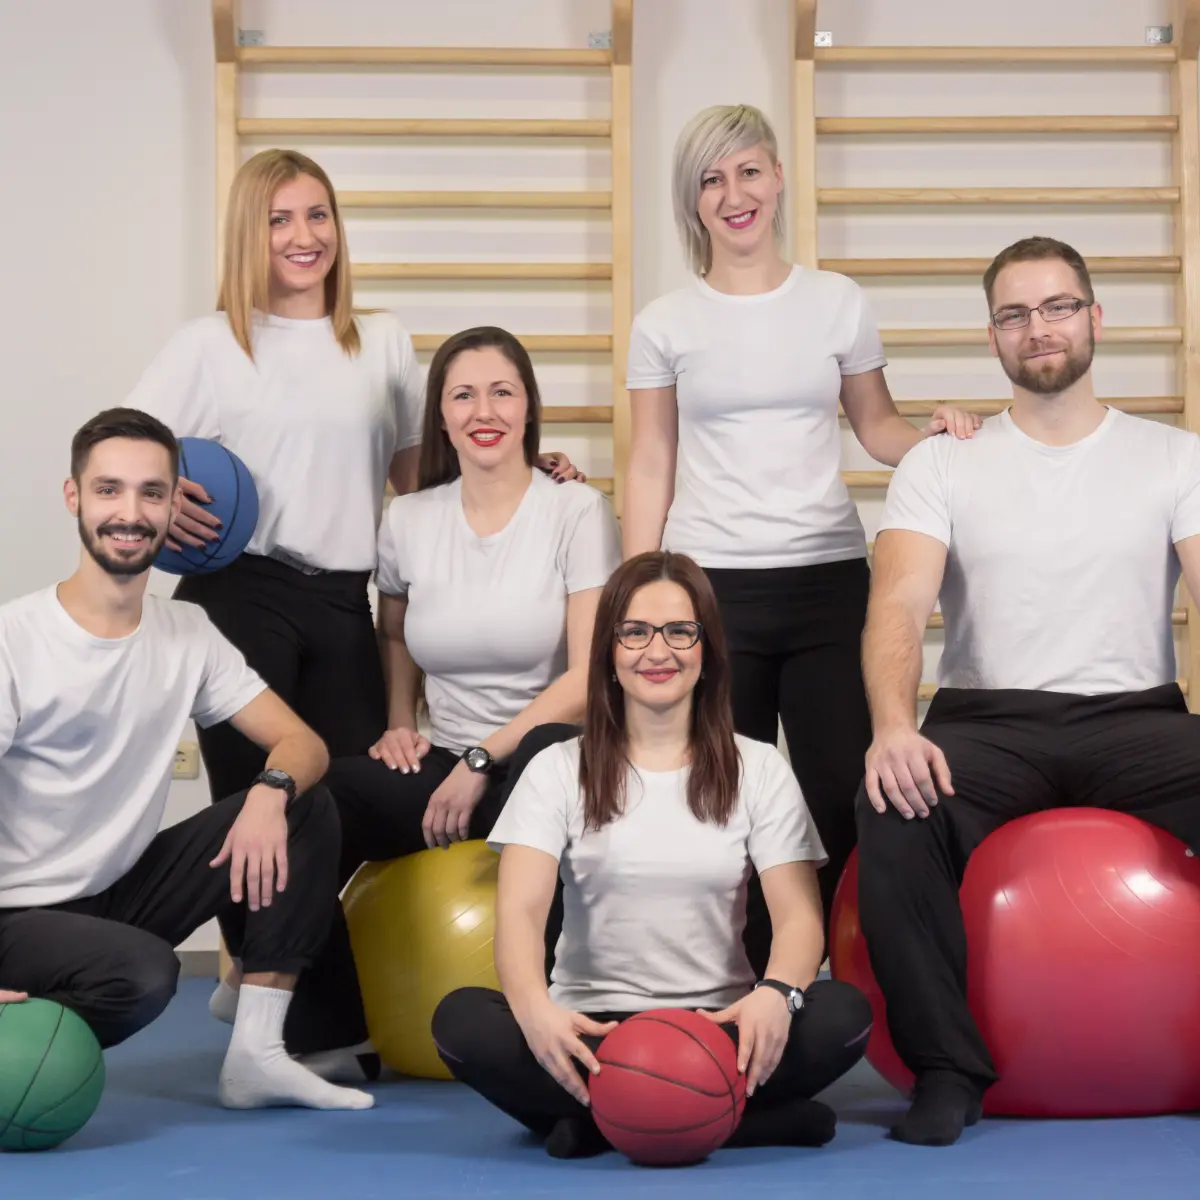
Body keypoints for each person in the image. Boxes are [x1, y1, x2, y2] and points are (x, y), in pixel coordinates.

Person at [128, 149, 579, 1034]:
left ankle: (283, 990)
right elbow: (116, 449)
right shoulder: (208, 345)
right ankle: (289, 1014)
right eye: (280, 220)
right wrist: (160, 497)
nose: (304, 237)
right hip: (239, 594)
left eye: (318, 216)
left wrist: (529, 469)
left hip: (345, 602)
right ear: (248, 235)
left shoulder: (381, 340)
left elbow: (422, 474)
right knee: (255, 801)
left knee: (341, 805)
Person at [855, 235, 1200, 1147]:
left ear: (1094, 316)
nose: (1036, 328)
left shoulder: (1173, 456)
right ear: (994, 336)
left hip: (1139, 718)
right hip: (988, 721)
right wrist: (893, 725)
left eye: (1055, 307)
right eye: (1014, 314)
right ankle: (946, 1067)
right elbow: (897, 601)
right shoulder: (942, 462)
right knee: (891, 803)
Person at [620, 102, 979, 944]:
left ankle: (845, 968)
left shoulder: (837, 301)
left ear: (778, 177)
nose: (734, 193)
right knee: (719, 794)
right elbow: (650, 462)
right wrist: (640, 600)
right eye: (712, 179)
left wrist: (937, 433)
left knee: (839, 790)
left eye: (748, 171)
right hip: (712, 591)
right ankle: (730, 979)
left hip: (828, 584)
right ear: (694, 199)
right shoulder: (664, 323)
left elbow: (877, 425)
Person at [257, 325, 621, 1068]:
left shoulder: (576, 512)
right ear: (441, 413)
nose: (483, 409)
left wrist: (486, 755)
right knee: (310, 803)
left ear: (528, 407)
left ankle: (555, 1027)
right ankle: (327, 1027)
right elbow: (395, 636)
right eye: (463, 394)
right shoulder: (410, 520)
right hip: (447, 766)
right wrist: (398, 723)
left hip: (545, 764)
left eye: (501, 391)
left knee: (550, 755)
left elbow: (588, 679)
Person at [432, 551, 874, 1159]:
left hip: (721, 1026)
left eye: (679, 631)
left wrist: (775, 994)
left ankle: (599, 1123)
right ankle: (741, 1122)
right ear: (610, 654)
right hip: (591, 1027)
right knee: (461, 1023)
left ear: (707, 649)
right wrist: (536, 1012)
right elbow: (522, 914)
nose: (657, 651)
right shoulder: (555, 769)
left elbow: (799, 917)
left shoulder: (761, 768)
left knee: (843, 1013)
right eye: (635, 632)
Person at [0, 407, 372, 1111]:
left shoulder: (186, 630)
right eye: (109, 490)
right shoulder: (15, 640)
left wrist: (270, 790)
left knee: (303, 802)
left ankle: (257, 1054)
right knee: (143, 975)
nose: (130, 512)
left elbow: (304, 744)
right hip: (16, 916)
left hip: (116, 893)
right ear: (74, 497)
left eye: (151, 492)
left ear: (175, 505)